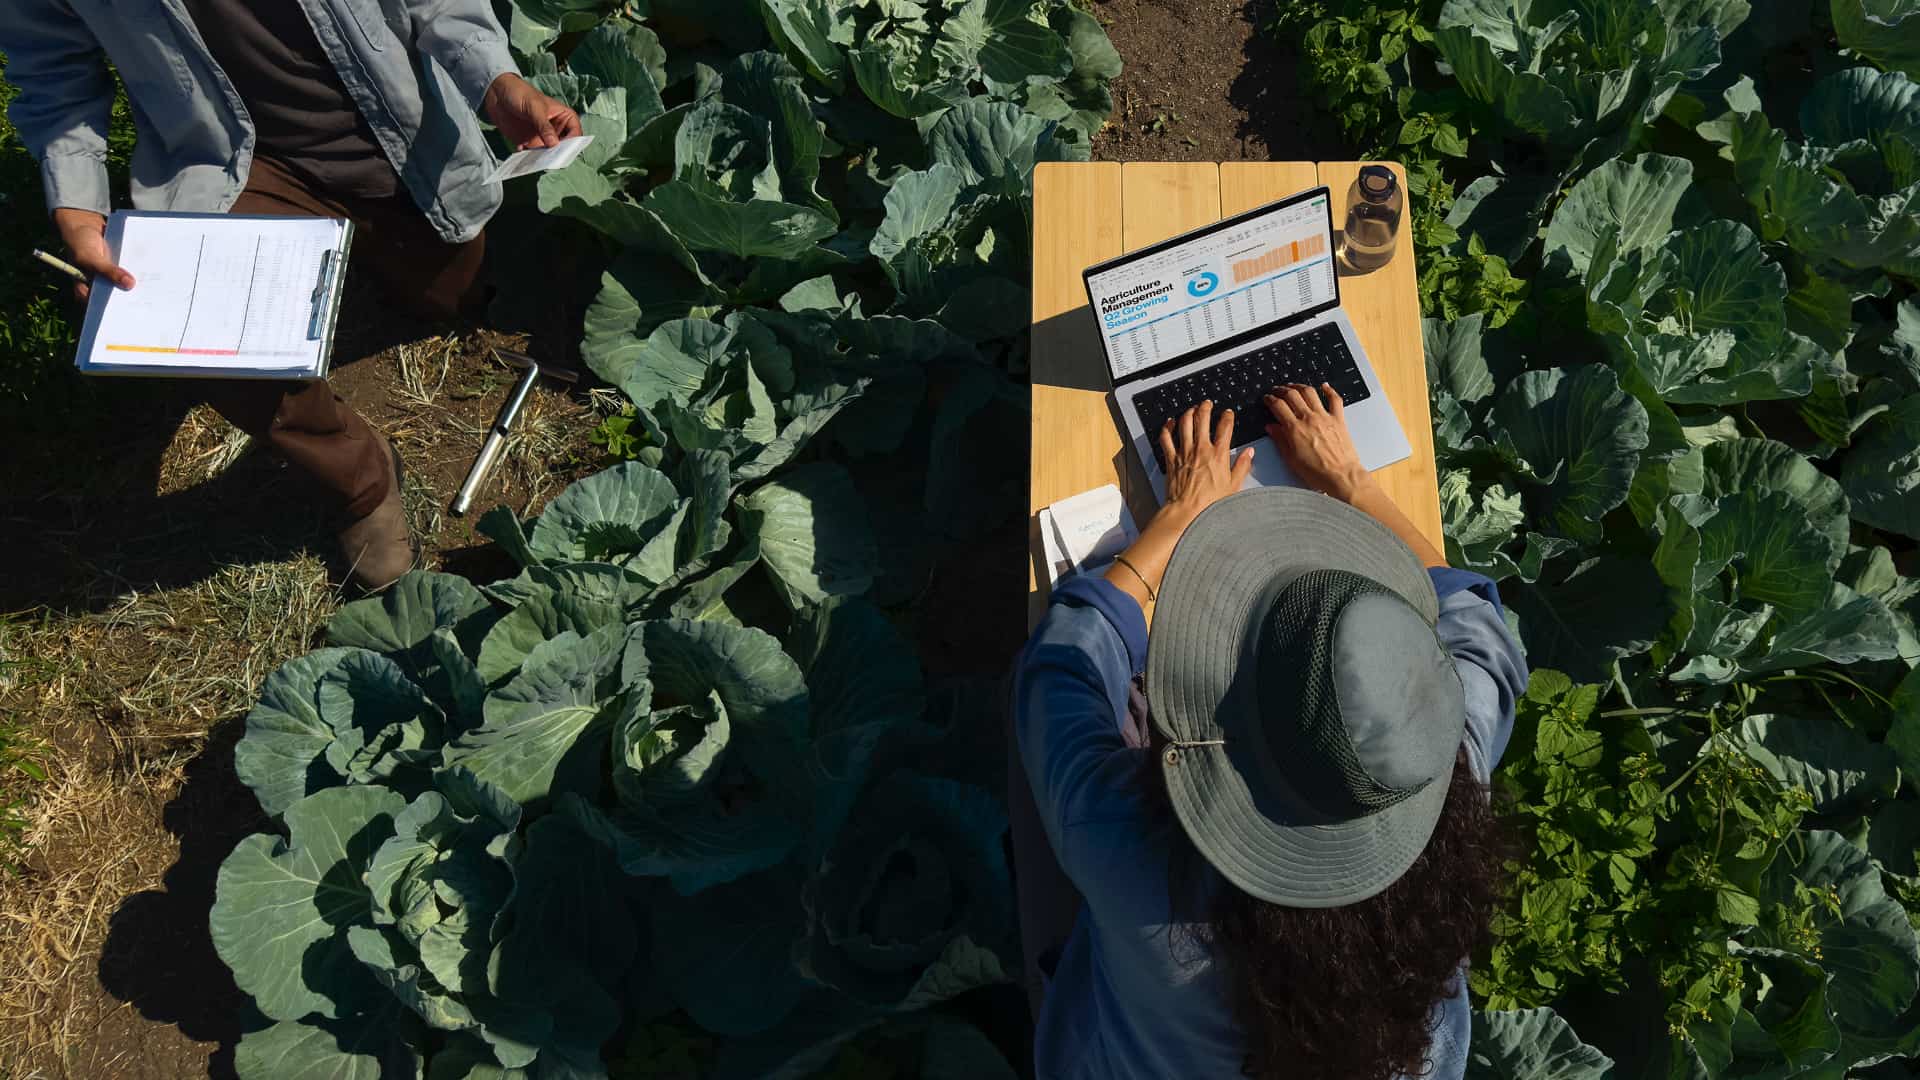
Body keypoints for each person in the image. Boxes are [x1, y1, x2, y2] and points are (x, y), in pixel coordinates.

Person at [1010, 383, 1527, 1080]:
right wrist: (1349, 479)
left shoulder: (1130, 858)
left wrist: (1181, 517)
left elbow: (1057, 671)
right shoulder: (1428, 770)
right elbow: (1482, 632)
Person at [1, 0, 581, 590]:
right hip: (224, 161)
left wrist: (497, 80)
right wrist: (78, 209)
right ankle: (359, 477)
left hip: (395, 137)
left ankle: (372, 254)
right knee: (185, 320)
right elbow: (53, 69)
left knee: (457, 295)